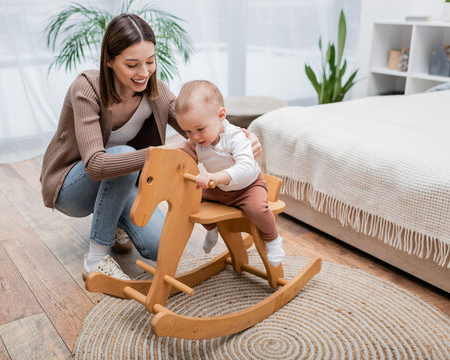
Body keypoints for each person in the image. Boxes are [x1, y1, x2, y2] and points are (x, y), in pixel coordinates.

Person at [40, 14, 262, 280]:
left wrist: (241, 138)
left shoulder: (155, 92)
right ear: (109, 61)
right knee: (123, 154)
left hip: (122, 183)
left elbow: (204, 124)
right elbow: (96, 166)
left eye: (150, 61)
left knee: (159, 246)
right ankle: (96, 259)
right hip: (71, 187)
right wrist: (161, 154)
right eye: (132, 64)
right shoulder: (87, 88)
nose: (144, 72)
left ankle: (115, 221)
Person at [175, 80, 285, 267]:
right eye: (187, 131)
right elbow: (180, 157)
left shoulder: (235, 137)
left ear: (221, 115)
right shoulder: (196, 142)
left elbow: (246, 168)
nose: (194, 137)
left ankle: (273, 239)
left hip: (247, 187)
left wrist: (214, 177)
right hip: (218, 188)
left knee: (257, 209)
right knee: (190, 198)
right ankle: (212, 229)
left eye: (200, 129)